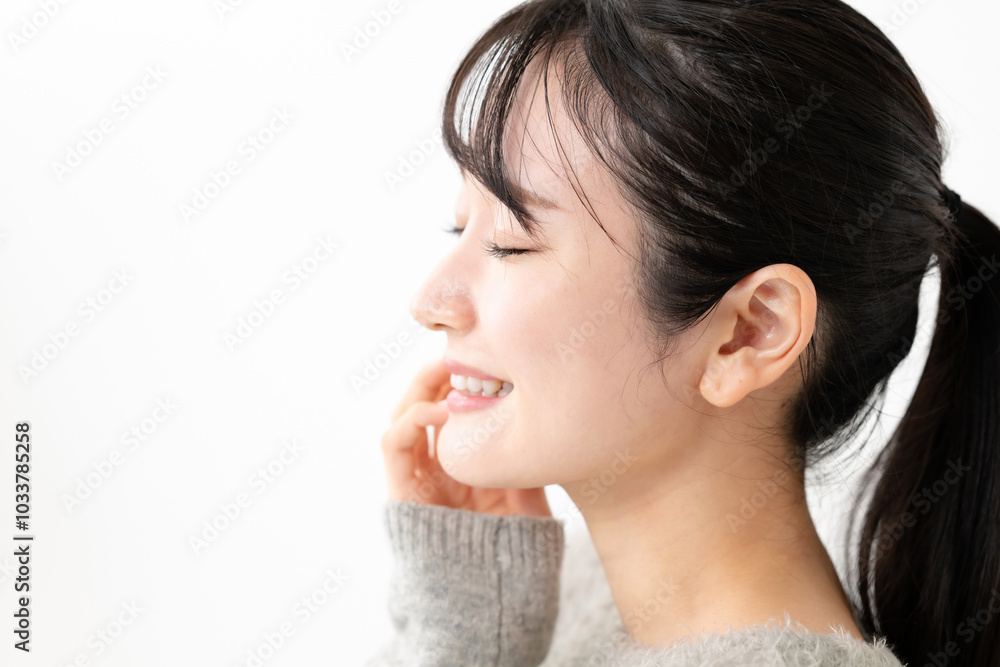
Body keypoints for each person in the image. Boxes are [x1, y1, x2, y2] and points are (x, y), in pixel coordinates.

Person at [367, 0, 1000, 665]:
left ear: (749, 333)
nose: (429, 303)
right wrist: (472, 636)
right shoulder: (556, 604)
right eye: (460, 227)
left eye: (511, 242)